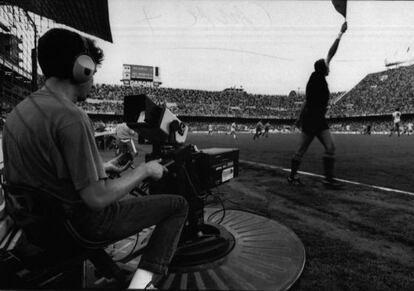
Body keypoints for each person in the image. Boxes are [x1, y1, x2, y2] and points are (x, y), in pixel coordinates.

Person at [2, 28, 188, 289]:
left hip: (40, 227)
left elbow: (45, 174)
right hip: (79, 227)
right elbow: (96, 198)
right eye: (93, 73)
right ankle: (142, 286)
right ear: (82, 69)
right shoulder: (71, 117)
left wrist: (102, 167)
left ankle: (111, 270)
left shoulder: (18, 113)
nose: (94, 82)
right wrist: (144, 171)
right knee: (178, 205)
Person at [288, 22, 347, 188]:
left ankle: (328, 180)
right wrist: (300, 119)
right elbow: (307, 102)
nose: (329, 67)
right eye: (327, 66)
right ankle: (292, 177)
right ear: (323, 69)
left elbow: (330, 54)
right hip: (311, 119)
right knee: (300, 151)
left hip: (319, 119)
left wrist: (340, 34)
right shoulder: (315, 81)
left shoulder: (318, 77)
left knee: (331, 147)